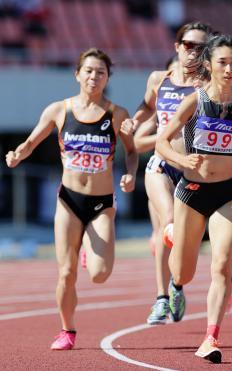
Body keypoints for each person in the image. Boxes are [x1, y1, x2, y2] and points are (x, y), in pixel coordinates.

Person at [5, 48, 138, 350]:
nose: (94, 76)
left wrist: (129, 173)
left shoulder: (116, 114)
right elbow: (31, 141)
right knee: (66, 272)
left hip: (102, 203)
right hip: (69, 200)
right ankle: (67, 330)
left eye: (100, 72)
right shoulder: (59, 110)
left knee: (100, 274)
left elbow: (131, 151)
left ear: (107, 78)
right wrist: (17, 155)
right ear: (78, 74)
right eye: (89, 70)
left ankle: (89, 249)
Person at [156, 34, 232, 363]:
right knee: (184, 273)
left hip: (227, 192)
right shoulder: (195, 101)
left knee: (222, 266)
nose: (231, 68)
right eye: (223, 62)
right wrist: (181, 160)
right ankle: (175, 274)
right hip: (191, 192)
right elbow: (162, 141)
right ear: (208, 65)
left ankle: (210, 338)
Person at [129, 22, 212, 325]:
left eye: (202, 47)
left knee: (185, 239)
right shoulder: (158, 79)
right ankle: (161, 297)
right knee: (168, 225)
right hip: (162, 164)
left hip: (193, 170)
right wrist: (134, 122)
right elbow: (145, 106)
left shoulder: (209, 83)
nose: (194, 52)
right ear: (177, 46)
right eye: (189, 45)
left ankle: (177, 286)